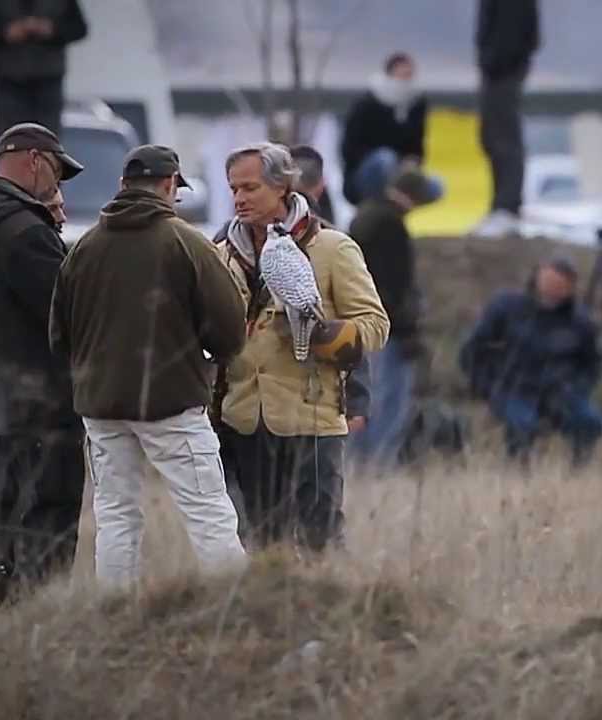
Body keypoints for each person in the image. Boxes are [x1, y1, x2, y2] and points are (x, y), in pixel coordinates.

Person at [48, 145, 250, 589]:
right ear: (169, 185)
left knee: (116, 515)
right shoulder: (187, 242)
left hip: (100, 406)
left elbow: (58, 335)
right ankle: (234, 607)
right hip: (172, 402)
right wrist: (209, 358)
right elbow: (230, 329)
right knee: (208, 511)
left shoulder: (83, 248)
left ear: (123, 185)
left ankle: (113, 613)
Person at [214, 142, 389, 552]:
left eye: (251, 188)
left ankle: (325, 613)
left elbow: (376, 326)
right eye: (233, 189)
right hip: (242, 417)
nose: (239, 198)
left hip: (310, 417)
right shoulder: (218, 255)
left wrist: (318, 338)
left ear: (281, 187)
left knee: (319, 540)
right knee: (257, 542)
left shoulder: (332, 248)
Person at [0, 122, 86, 616]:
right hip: (41, 410)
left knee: (2, 531)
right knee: (45, 531)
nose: (58, 187)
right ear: (33, 161)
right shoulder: (25, 233)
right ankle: (37, 631)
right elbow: (69, 315)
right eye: (57, 173)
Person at [0, 186, 65, 567]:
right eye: (53, 208)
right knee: (17, 525)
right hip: (15, 414)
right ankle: (15, 607)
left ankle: (2, 605)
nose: (62, 217)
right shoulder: (26, 255)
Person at [459, 258, 602, 464]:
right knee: (522, 424)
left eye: (559, 284)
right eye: (547, 280)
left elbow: (592, 363)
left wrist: (579, 389)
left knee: (589, 421)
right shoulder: (507, 307)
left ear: (570, 287)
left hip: (561, 391)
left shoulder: (580, 321)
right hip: (513, 389)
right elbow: (472, 351)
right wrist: (486, 387)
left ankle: (579, 468)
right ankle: (519, 472)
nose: (551, 288)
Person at [347, 169, 440, 468]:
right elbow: (394, 284)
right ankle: (378, 464)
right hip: (386, 329)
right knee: (387, 401)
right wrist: (407, 326)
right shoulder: (390, 226)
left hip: (359, 324)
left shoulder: (366, 216)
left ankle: (358, 463)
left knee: (362, 398)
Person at [0, 0, 89, 143]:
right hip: (8, 81)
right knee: (10, 142)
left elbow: (78, 28)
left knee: (47, 143)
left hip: (48, 81)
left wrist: (52, 30)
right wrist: (5, 33)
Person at [472, 0, 540, 238]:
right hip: (495, 70)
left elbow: (522, 34)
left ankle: (507, 207)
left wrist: (494, 61)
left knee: (505, 140)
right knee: (491, 137)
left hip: (503, 70)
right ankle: (499, 205)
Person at [339, 53, 442, 207]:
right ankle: (384, 198)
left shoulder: (416, 105)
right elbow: (349, 148)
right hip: (364, 174)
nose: (406, 80)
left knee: (436, 186)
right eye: (402, 75)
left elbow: (417, 144)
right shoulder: (367, 103)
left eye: (409, 75)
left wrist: (412, 161)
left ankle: (398, 203)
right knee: (385, 159)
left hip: (399, 171)